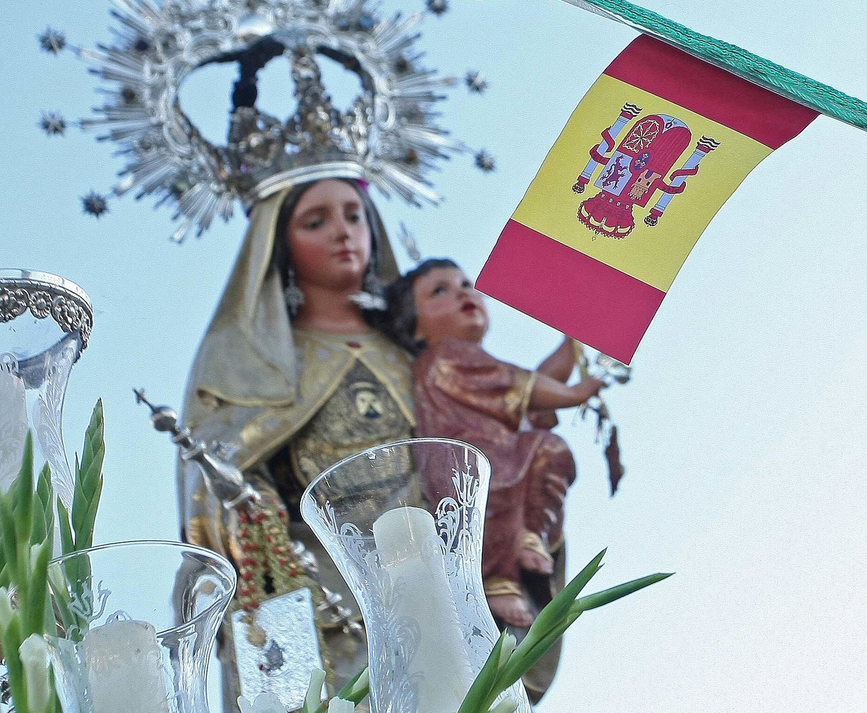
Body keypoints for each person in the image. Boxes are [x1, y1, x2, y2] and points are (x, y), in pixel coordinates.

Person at [180, 177, 416, 704]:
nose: (343, 233)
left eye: (355, 216)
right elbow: (218, 467)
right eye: (317, 221)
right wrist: (250, 506)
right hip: (316, 596)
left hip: (429, 586)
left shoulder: (414, 354)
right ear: (280, 245)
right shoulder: (249, 359)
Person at [383, 258, 606, 628]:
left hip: (504, 453)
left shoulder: (472, 358)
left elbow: (531, 384)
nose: (462, 293)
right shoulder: (443, 356)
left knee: (548, 453)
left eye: (466, 284)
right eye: (440, 291)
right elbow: (525, 388)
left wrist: (573, 340)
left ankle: (530, 536)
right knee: (494, 505)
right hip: (470, 462)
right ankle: (496, 579)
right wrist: (575, 393)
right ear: (416, 327)